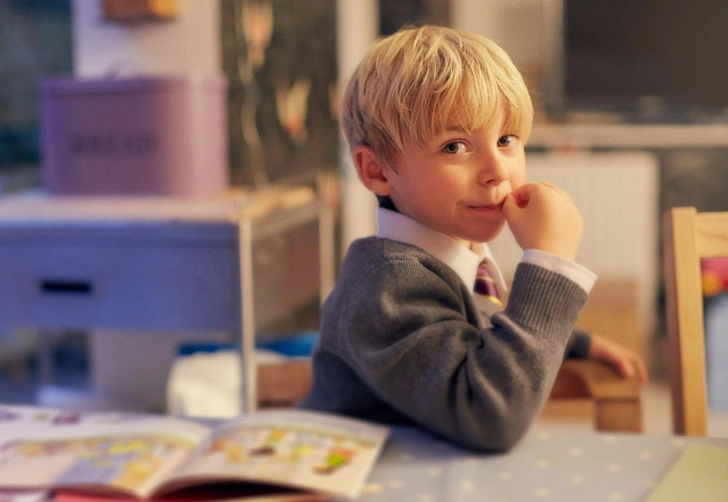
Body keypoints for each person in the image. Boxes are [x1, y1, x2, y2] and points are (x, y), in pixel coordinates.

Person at [299, 25, 646, 452]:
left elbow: (474, 331)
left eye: (506, 140)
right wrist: (549, 263)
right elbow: (488, 416)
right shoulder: (386, 284)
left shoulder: (457, 257)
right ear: (377, 171)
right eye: (455, 147)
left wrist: (575, 342)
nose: (497, 170)